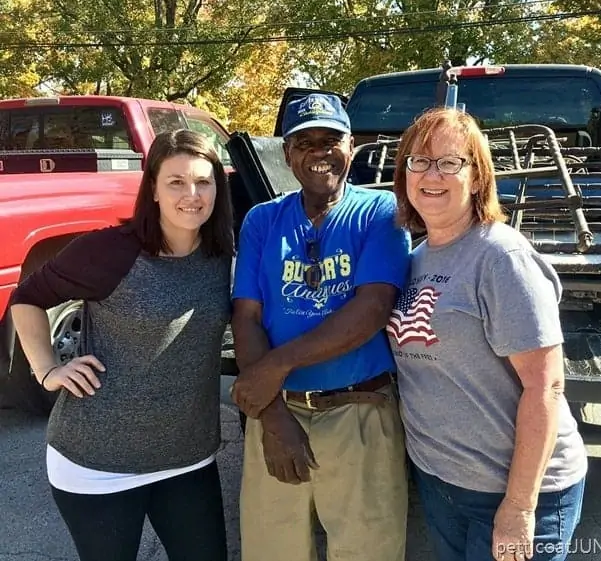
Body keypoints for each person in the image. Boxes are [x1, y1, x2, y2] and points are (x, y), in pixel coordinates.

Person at [9, 129, 234, 561]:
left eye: (203, 181)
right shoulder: (110, 251)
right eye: (176, 182)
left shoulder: (221, 253)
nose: (192, 194)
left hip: (187, 459)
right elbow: (27, 299)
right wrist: (48, 370)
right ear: (152, 188)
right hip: (97, 465)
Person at [387, 107, 588, 561]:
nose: (430, 174)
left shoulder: (500, 256)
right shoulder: (415, 258)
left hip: (509, 490)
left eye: (449, 162)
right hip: (442, 483)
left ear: (477, 177)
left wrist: (518, 506)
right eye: (418, 161)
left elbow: (547, 384)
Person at [231, 92, 412, 561]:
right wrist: (271, 417)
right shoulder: (262, 220)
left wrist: (277, 365)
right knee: (272, 551)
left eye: (330, 139)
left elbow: (371, 309)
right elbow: (246, 316)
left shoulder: (380, 212)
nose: (318, 152)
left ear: (351, 146)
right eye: (304, 142)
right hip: (277, 412)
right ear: (287, 154)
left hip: (360, 409)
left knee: (367, 551)